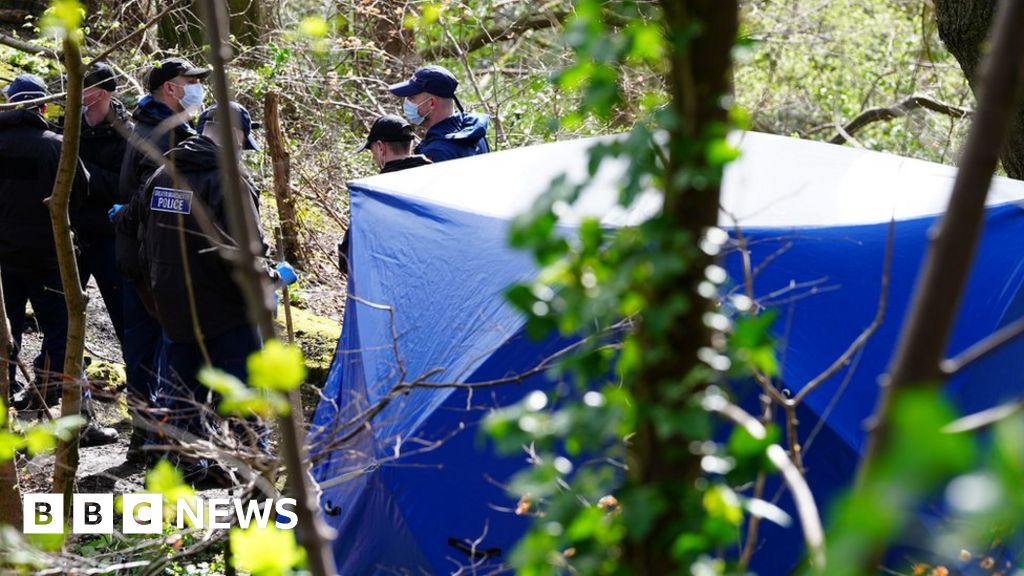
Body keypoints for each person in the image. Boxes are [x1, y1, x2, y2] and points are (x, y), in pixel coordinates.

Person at [142, 102, 295, 482]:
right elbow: (247, 252)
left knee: (183, 397)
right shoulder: (231, 181)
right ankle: (257, 480)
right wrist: (272, 279)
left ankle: (188, 469)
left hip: (174, 307)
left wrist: (158, 291)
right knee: (244, 399)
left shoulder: (163, 173)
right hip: (226, 313)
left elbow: (143, 239)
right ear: (237, 136)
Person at [111, 56, 209, 463]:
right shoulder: (164, 136)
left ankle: (149, 435)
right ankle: (157, 440)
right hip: (153, 264)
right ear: (170, 87)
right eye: (190, 81)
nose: (196, 89)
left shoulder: (153, 127)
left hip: (144, 258)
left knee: (148, 348)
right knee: (163, 350)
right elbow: (158, 204)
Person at [0, 75, 89, 411]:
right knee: (60, 331)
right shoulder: (55, 145)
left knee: (5, 331)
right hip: (47, 259)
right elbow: (80, 190)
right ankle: (54, 399)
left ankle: (6, 401)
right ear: (42, 105)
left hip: (2, 262)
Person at [338, 114, 433, 273]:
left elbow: (347, 260)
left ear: (381, 147)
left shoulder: (373, 195)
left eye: (372, 149)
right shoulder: (438, 177)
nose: (373, 155)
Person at [388, 65, 490, 162]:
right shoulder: (475, 131)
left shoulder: (435, 152)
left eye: (411, 98)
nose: (406, 102)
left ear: (431, 103)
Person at [358, 114, 432, 173]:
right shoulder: (436, 173)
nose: (373, 157)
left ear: (381, 147)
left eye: (373, 151)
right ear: (411, 144)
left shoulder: (376, 188)